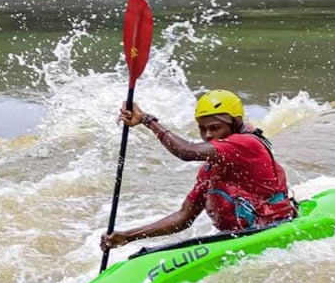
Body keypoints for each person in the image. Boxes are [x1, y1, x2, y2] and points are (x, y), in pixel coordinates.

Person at [101, 89, 297, 253]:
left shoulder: (246, 144)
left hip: (274, 227)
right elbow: (183, 218)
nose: (208, 135)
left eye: (215, 128)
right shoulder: (209, 171)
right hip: (236, 238)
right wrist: (128, 236)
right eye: (202, 129)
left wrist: (147, 120)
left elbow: (186, 152)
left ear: (235, 123)